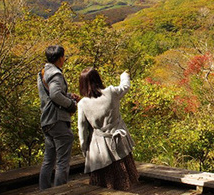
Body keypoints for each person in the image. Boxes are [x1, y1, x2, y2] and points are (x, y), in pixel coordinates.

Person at [77, 67, 139, 191]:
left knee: (103, 186)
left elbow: (82, 130)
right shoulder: (111, 92)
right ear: (98, 79)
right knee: (124, 181)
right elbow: (125, 86)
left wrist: (85, 151)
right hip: (119, 144)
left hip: (100, 150)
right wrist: (124, 75)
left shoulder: (83, 104)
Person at [37, 45, 79, 190]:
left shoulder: (43, 73)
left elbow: (50, 95)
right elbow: (55, 95)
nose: (64, 59)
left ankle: (44, 191)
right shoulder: (56, 74)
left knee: (48, 160)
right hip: (57, 120)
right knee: (62, 161)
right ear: (59, 58)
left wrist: (67, 95)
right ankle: (60, 191)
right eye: (63, 56)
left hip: (47, 120)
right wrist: (70, 105)